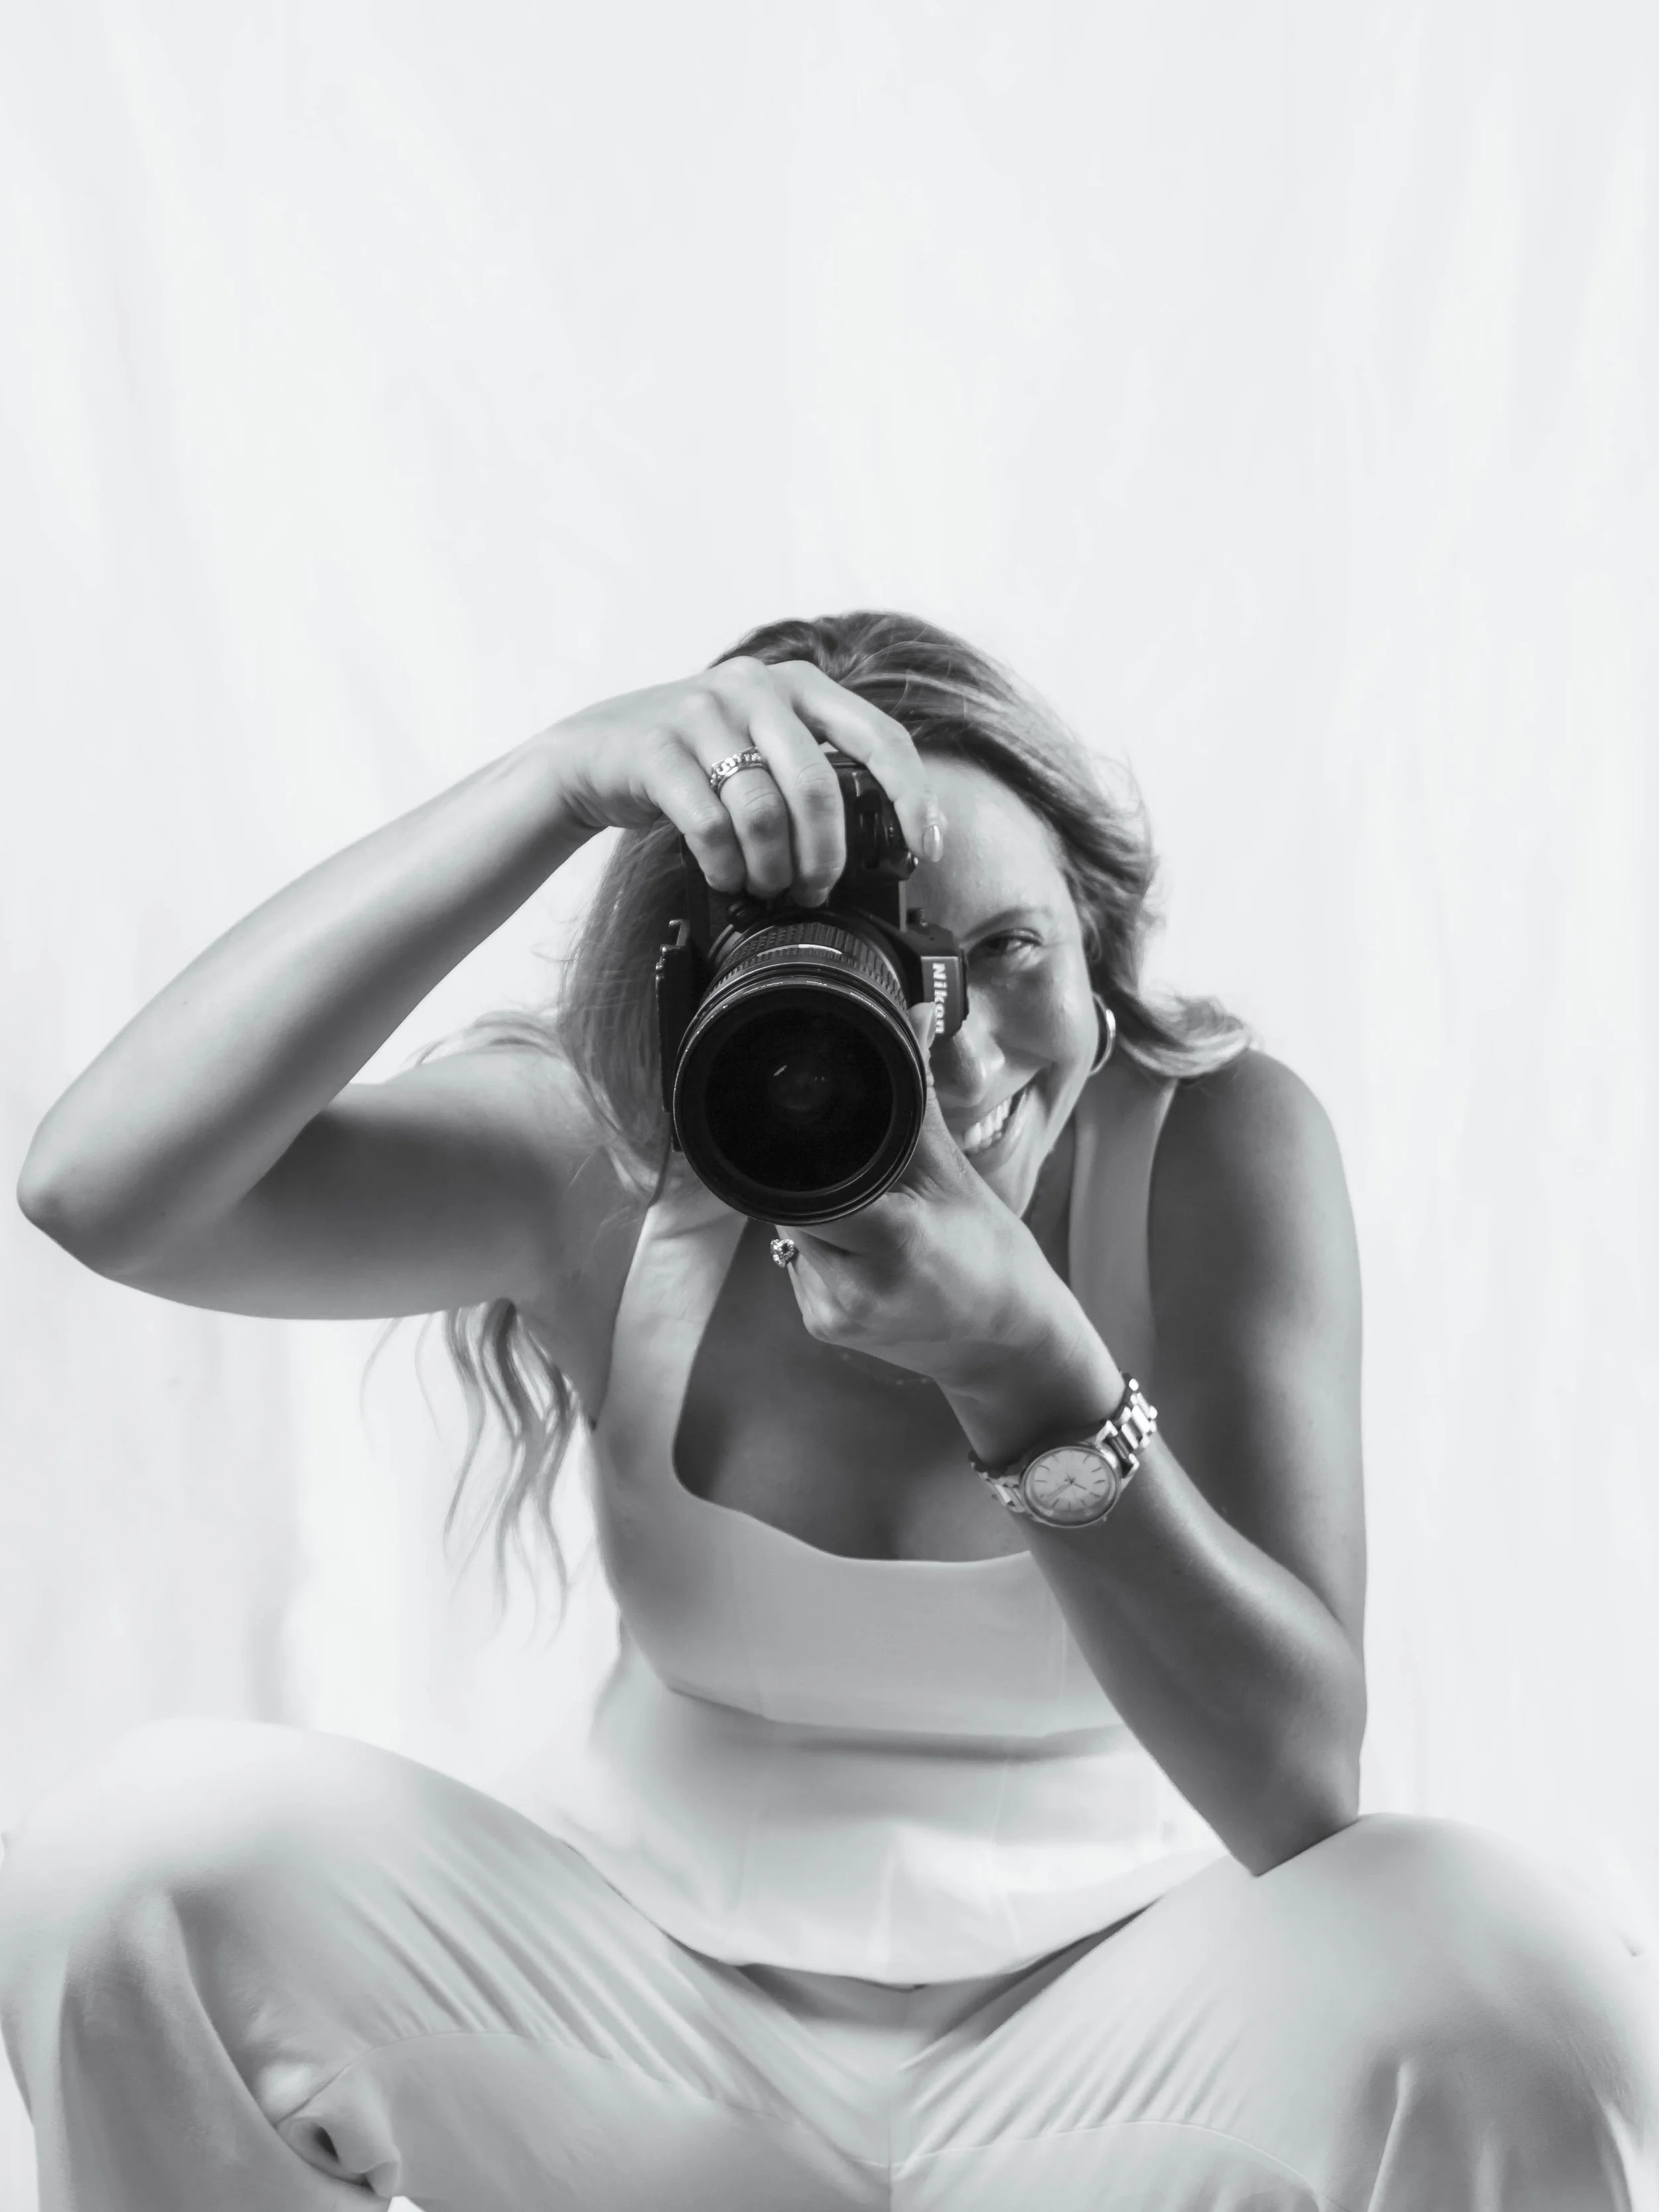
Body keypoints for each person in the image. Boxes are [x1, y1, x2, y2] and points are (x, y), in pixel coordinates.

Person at [2, 609, 1654, 2210]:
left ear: (1099, 941)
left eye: (1007, 949)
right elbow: (102, 1188)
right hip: (647, 2043)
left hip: (1137, 2050)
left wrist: (1030, 1373)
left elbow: (1301, 1785)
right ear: (714, 984)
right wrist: (555, 781)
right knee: (134, 1863)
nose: (948, 1051)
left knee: (1514, 1967)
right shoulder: (614, 1162)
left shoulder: (1210, 1145)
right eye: (869, 971)